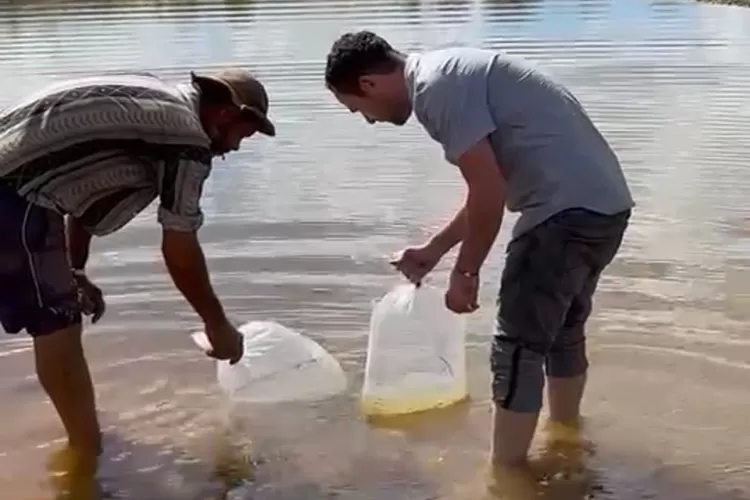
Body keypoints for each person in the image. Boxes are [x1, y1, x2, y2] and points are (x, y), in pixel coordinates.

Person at [324, 31, 634, 467]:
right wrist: (433, 250)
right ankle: (567, 439)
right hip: (605, 208)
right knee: (562, 332)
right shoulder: (451, 69)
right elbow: (489, 188)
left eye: (358, 109)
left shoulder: (435, 89)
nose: (368, 120)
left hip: (560, 213)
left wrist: (465, 273)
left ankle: (506, 477)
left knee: (518, 348)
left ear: (368, 84)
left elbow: (488, 188)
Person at [0, 67, 275, 465]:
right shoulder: (187, 139)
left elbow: (85, 206)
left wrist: (76, 273)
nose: (234, 149)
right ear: (228, 115)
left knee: (61, 309)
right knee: (58, 326)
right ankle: (85, 459)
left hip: (19, 185)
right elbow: (179, 246)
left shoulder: (154, 103)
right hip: (14, 194)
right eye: (242, 136)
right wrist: (218, 326)